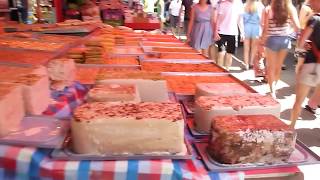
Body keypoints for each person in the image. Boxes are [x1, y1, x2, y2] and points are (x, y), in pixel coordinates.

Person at [261, 0, 300, 98]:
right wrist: (288, 31)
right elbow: (297, 27)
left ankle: (272, 91)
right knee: (278, 67)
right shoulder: (290, 8)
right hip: (285, 40)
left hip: (271, 40)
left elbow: (265, 29)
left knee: (271, 67)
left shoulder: (268, 9)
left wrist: (261, 42)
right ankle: (275, 87)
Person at [291, 0, 320, 127]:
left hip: (311, 64)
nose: (310, 3)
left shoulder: (314, 19)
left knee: (299, 101)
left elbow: (301, 42)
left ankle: (291, 127)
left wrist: (298, 63)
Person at [215, 0, 245, 71]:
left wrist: (242, 32)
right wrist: (215, 31)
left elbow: (240, 20)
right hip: (221, 31)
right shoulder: (222, 4)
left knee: (230, 53)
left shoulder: (239, 4)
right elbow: (218, 19)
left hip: (233, 32)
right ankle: (219, 71)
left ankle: (227, 70)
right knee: (221, 52)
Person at [243, 0, 264, 70]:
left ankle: (246, 64)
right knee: (254, 47)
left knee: (246, 47)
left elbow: (242, 18)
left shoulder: (245, 5)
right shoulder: (259, 5)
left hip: (247, 26)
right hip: (256, 27)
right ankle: (251, 62)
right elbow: (261, 19)